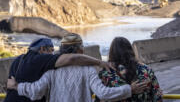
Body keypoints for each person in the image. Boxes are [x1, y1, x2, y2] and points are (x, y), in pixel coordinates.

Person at [7, 34, 148, 102]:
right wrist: (130, 89)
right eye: (82, 47)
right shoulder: (88, 70)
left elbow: (36, 91)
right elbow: (104, 94)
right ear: (79, 49)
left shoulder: (51, 71)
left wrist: (16, 86)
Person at [96, 37, 163, 102]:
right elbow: (157, 96)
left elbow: (100, 98)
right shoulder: (146, 69)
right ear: (131, 50)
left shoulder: (105, 73)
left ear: (111, 53)